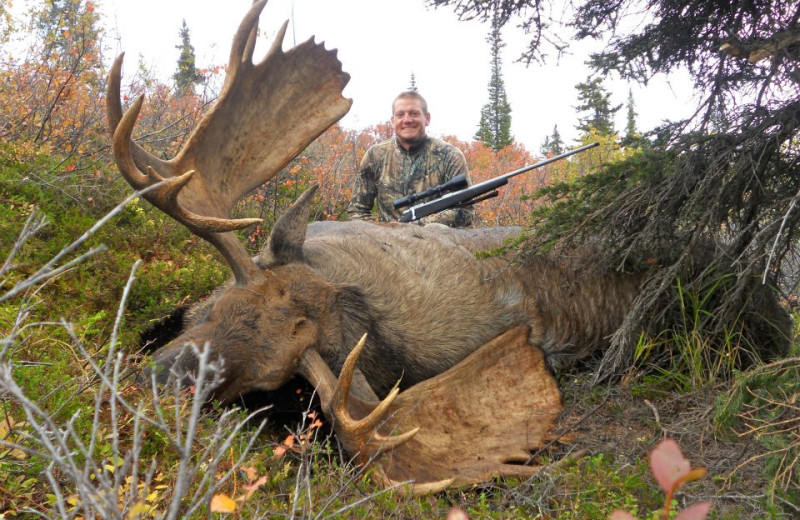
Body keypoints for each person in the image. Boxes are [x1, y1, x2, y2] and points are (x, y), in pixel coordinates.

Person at [347, 91, 474, 227]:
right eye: (400, 115)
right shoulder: (375, 155)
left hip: (438, 242)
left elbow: (465, 212)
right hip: (385, 243)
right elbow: (357, 211)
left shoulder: (450, 155)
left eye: (414, 113)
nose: (407, 120)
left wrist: (415, 226)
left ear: (427, 118)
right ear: (393, 121)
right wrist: (378, 236)